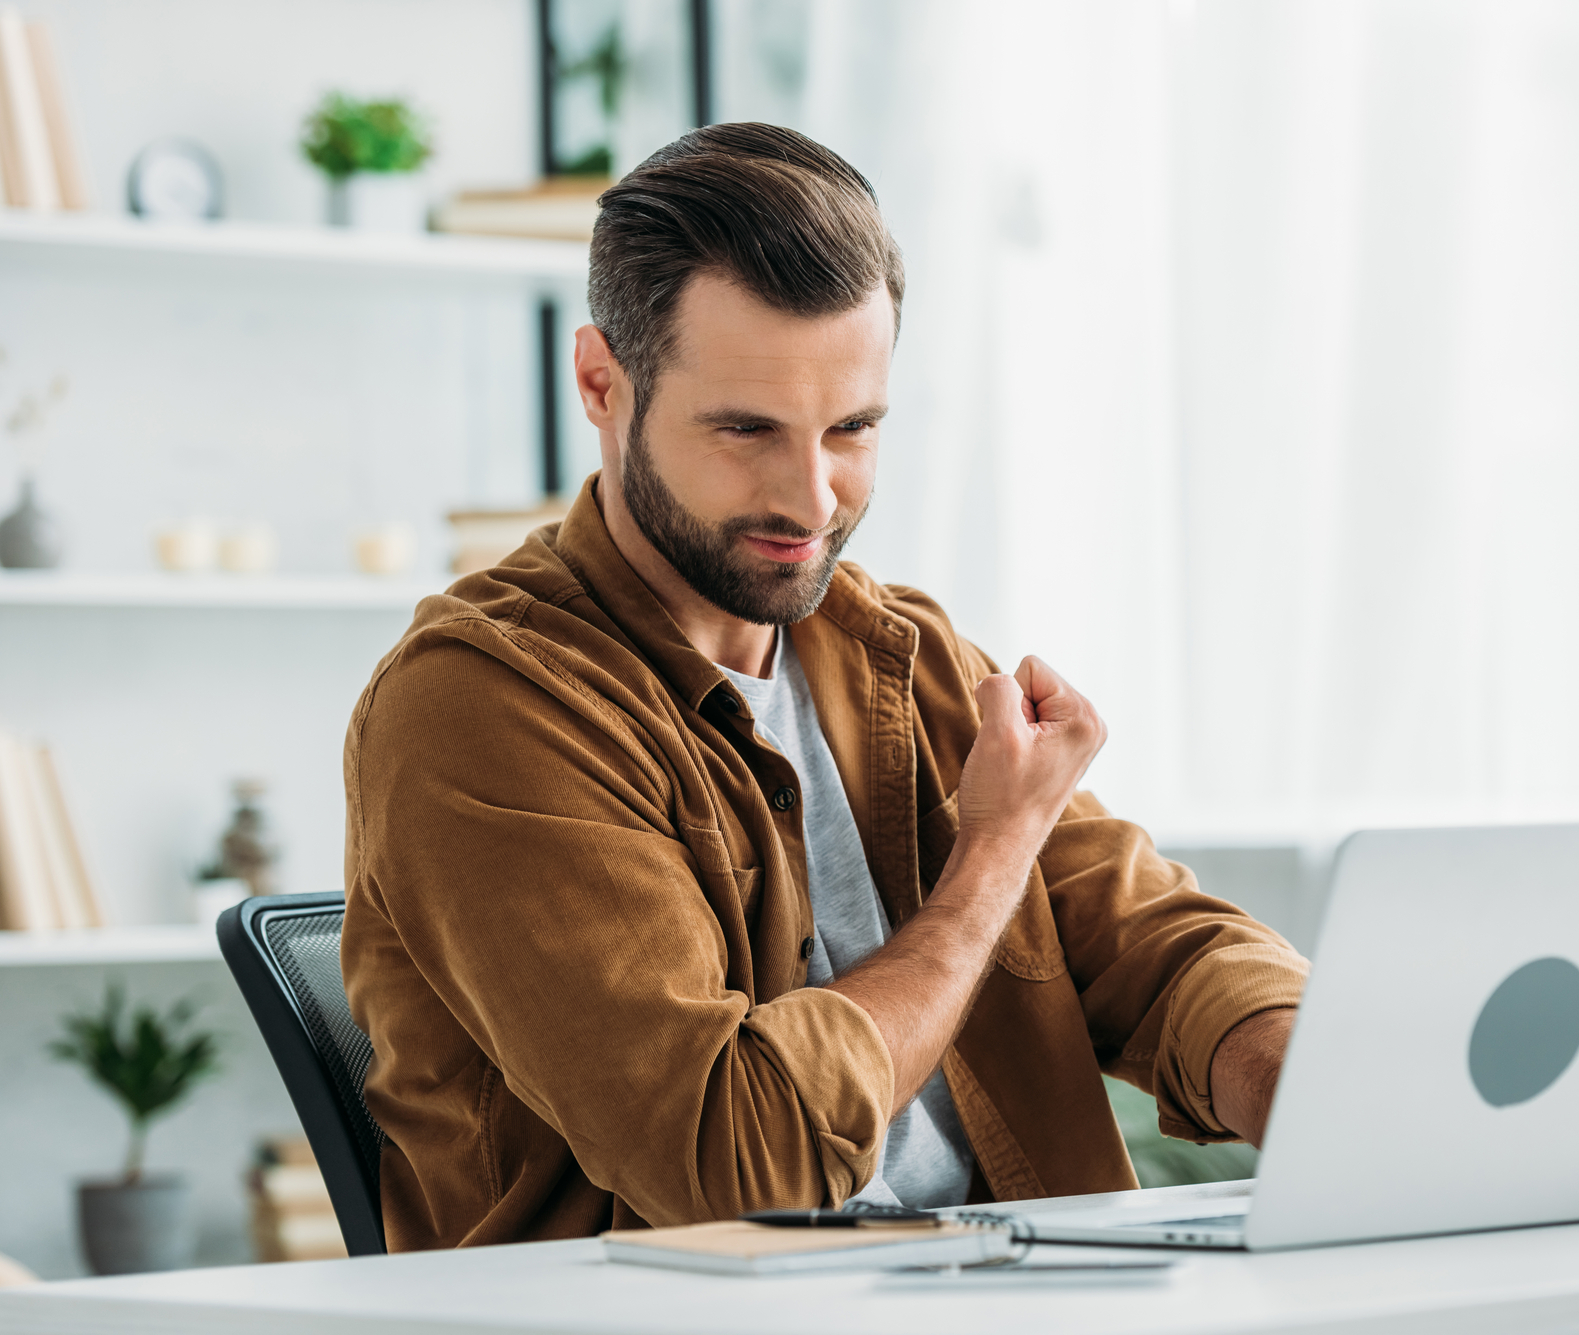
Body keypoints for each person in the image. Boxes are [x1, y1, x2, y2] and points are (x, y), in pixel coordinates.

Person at [341, 123, 1308, 1250]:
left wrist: (1315, 1091)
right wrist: (992, 854)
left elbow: (1152, 944)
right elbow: (737, 1166)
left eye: (851, 429)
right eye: (745, 430)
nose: (810, 500)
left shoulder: (900, 654)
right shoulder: (484, 704)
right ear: (603, 385)